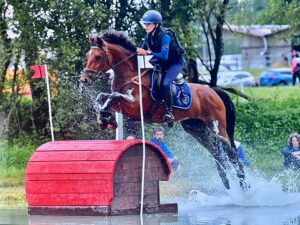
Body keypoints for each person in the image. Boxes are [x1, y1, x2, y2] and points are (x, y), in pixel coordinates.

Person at [136, 10, 186, 123]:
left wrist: (147, 53)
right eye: (145, 24)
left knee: (165, 83)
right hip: (161, 64)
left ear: (156, 24)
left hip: (174, 63)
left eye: (148, 24)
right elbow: (142, 51)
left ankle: (169, 112)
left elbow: (164, 56)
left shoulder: (166, 36)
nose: (146, 26)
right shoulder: (148, 36)